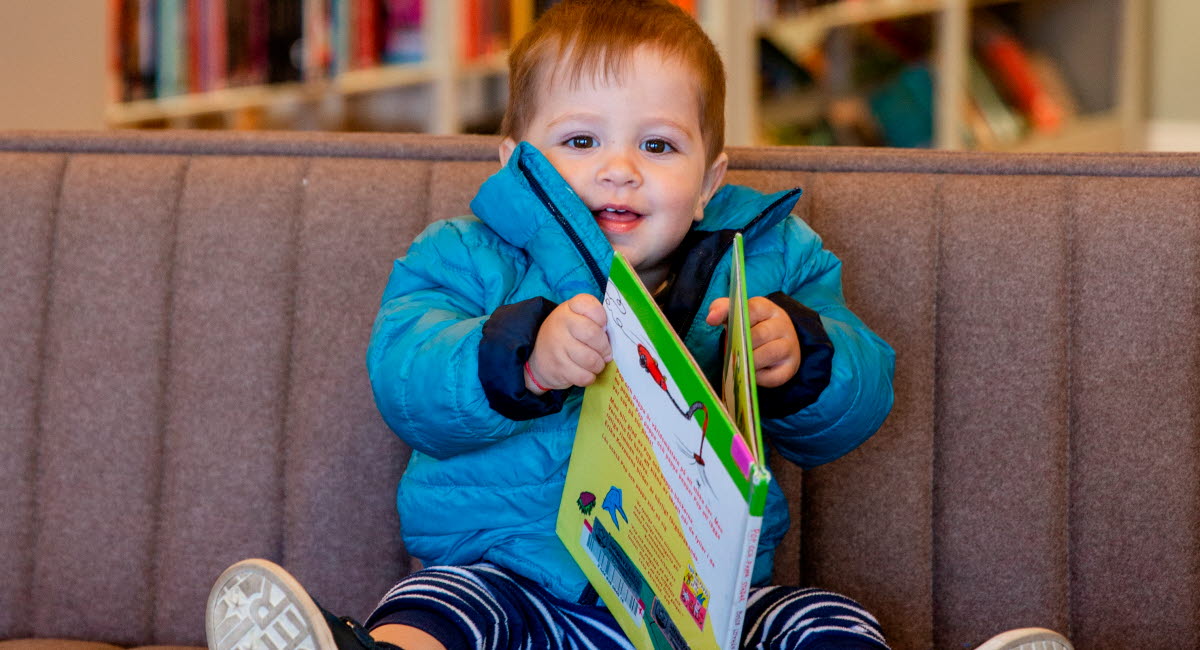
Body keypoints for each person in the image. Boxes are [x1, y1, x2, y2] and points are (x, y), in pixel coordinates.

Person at [205, 2, 1068, 650]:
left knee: (820, 620)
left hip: (699, 605)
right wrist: (524, 359)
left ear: (709, 175)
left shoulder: (769, 259)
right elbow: (405, 376)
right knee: (436, 615)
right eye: (580, 141)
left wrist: (803, 355)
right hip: (511, 575)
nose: (619, 170)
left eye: (658, 147)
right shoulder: (466, 256)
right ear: (515, 159)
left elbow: (863, 395)